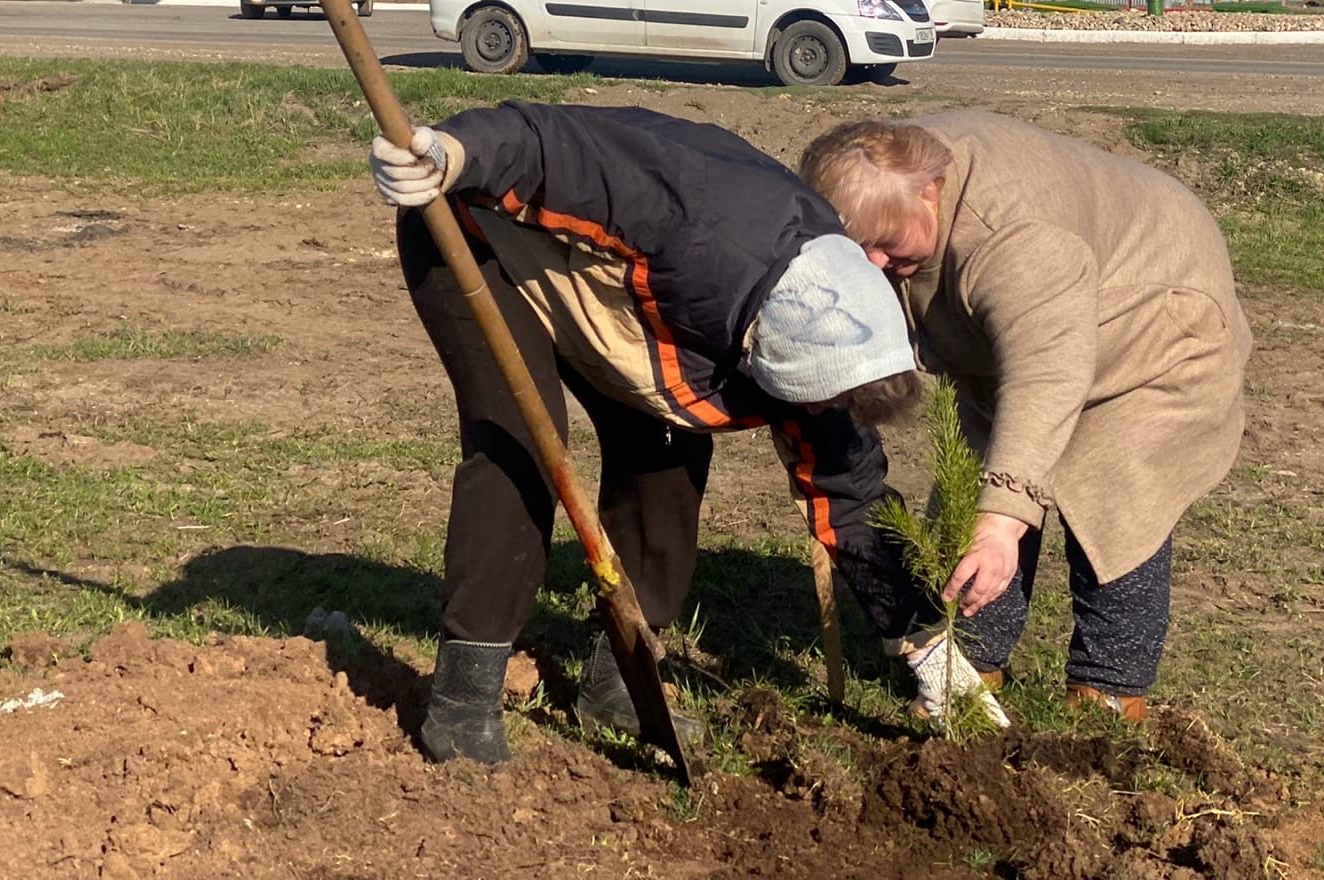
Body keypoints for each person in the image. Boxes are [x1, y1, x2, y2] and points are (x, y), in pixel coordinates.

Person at [370, 101, 1003, 764]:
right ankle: (464, 695)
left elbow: (849, 491)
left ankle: (617, 681)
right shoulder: (688, 212)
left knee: (667, 448)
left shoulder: (834, 315)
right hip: (480, 236)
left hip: (619, 296)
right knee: (523, 443)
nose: (815, 414)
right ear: (767, 356)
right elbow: (550, 143)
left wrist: (930, 648)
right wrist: (454, 152)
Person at [799, 113, 1251, 721]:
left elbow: (1046, 374)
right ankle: (972, 672)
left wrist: (1005, 518)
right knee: (977, 496)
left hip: (1154, 324)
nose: (875, 263)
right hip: (1024, 337)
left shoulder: (1013, 234)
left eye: (886, 245)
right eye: (862, 251)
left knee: (1118, 500)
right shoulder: (882, 181)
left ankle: (1107, 694)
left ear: (930, 190)